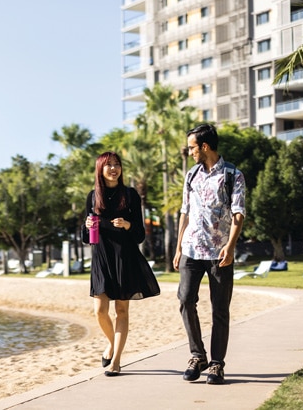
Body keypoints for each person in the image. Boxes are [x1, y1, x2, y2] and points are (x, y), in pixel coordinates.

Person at [173, 124, 246, 385]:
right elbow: (185, 212)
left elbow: (238, 214)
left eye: (192, 147)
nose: (189, 151)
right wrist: (179, 245)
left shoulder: (232, 175)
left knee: (220, 309)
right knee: (184, 300)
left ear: (205, 146)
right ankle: (197, 355)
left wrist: (231, 245)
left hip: (219, 253)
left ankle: (217, 364)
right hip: (192, 250)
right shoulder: (191, 175)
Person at [84, 151, 160, 377]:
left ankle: (116, 361)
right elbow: (86, 236)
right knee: (99, 311)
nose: (114, 169)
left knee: (121, 310)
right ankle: (111, 344)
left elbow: (139, 235)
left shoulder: (130, 195)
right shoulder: (92, 196)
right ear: (100, 169)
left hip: (124, 258)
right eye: (109, 165)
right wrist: (87, 226)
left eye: (117, 165)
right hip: (101, 258)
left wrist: (127, 224)